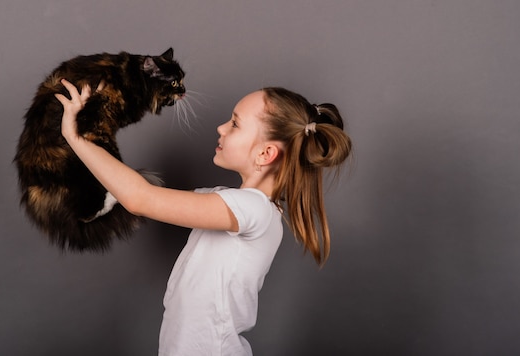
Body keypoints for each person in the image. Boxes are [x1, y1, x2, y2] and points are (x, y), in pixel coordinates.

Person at [56, 79, 352, 355]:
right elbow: (139, 191)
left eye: (235, 123)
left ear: (266, 154)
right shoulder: (231, 202)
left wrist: (75, 137)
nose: (221, 128)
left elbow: (140, 198)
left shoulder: (252, 210)